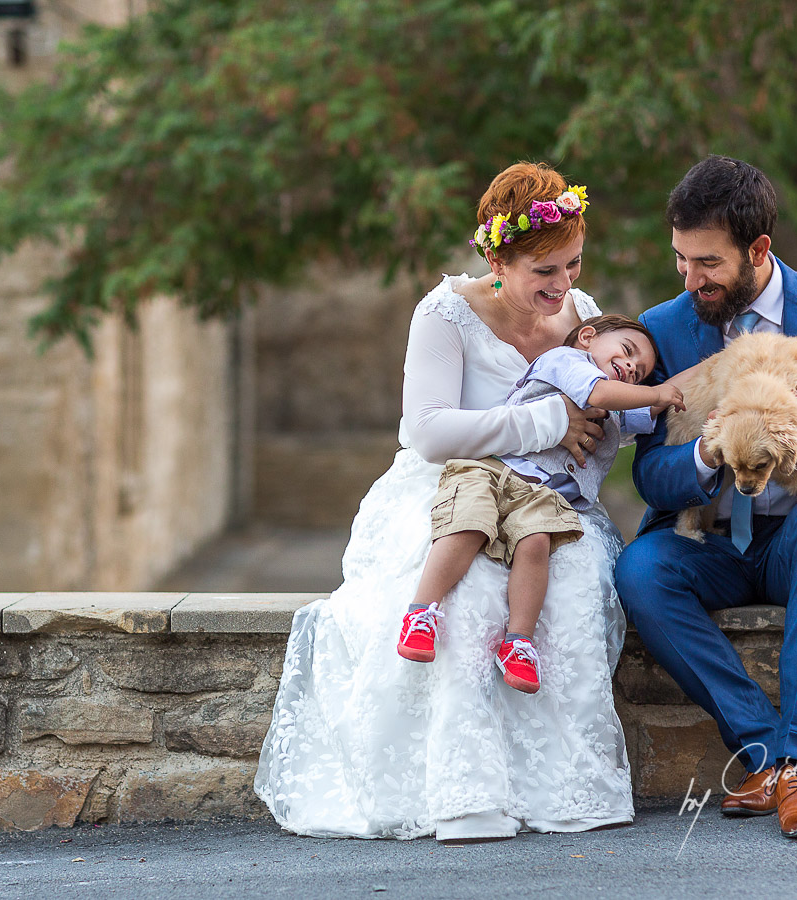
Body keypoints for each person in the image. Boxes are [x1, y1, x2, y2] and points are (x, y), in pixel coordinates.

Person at [256, 162, 636, 841]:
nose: (562, 286)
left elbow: (604, 410)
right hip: (450, 483)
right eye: (543, 273)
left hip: (543, 497)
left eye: (572, 266)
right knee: (464, 600)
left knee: (571, 587)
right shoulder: (444, 313)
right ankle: (466, 795)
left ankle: (564, 790)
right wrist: (547, 422)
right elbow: (427, 432)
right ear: (497, 259)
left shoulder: (581, 317)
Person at [615, 155, 797, 839]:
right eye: (681, 261)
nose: (691, 281)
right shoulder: (667, 323)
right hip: (711, 540)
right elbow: (649, 477)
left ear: (759, 249)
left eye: (707, 264)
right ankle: (772, 756)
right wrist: (703, 454)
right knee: (640, 570)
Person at [399, 315, 685, 696]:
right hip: (493, 468)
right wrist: (656, 392)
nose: (632, 369)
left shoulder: (618, 405)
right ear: (586, 338)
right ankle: (421, 611)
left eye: (641, 373)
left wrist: (706, 374)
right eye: (628, 353)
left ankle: (518, 640)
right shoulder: (567, 362)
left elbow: (647, 410)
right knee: (468, 523)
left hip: (543, 495)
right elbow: (601, 395)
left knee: (535, 544)